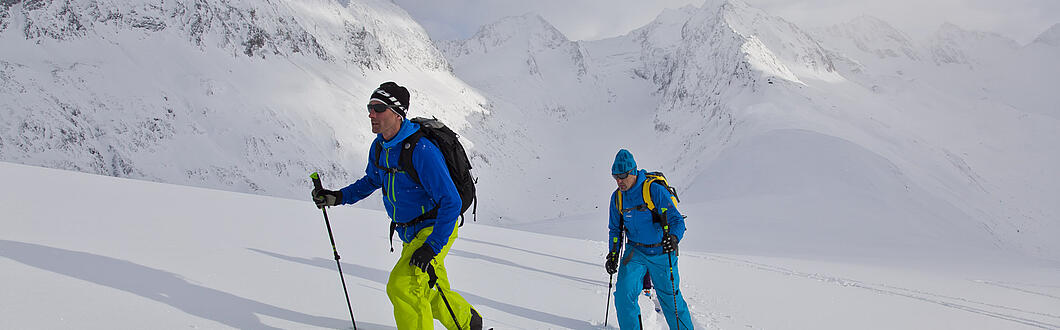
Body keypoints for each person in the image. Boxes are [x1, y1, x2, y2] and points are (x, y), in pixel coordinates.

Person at [312, 82, 482, 330]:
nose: (371, 114)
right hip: (410, 234)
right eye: (369, 107)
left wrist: (431, 246)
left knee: (404, 287)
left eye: (378, 108)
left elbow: (451, 201)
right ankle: (468, 321)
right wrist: (338, 197)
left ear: (397, 113)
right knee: (426, 289)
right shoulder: (380, 146)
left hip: (434, 230)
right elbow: (372, 180)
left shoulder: (421, 150)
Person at [605, 149, 694, 329]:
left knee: (670, 299)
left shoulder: (654, 190)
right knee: (623, 295)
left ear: (633, 171)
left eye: (622, 176)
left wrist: (674, 238)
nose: (619, 181)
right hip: (635, 251)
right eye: (615, 176)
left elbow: (677, 220)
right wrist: (613, 254)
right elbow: (615, 230)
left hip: (662, 251)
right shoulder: (617, 198)